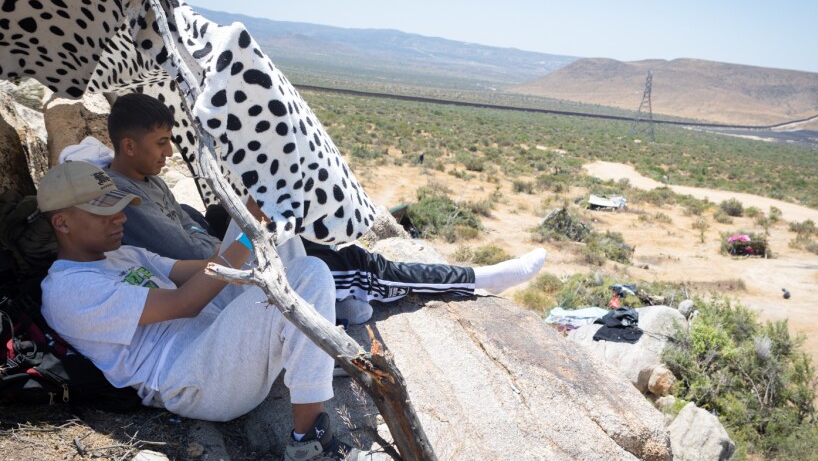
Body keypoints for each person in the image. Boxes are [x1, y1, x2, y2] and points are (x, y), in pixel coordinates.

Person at [37, 161, 390, 461]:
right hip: (188, 379)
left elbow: (209, 270)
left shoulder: (123, 255)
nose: (121, 218)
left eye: (120, 207)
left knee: (275, 240)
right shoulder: (67, 289)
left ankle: (311, 332)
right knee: (307, 269)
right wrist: (252, 234)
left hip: (212, 336)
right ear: (63, 223)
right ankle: (308, 449)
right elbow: (185, 303)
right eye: (105, 212)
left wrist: (251, 220)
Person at [87, 93, 546, 325]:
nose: (168, 153)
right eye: (160, 143)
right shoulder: (130, 200)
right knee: (357, 262)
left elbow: (187, 228)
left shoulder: (139, 179)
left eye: (170, 141)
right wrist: (247, 234)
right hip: (224, 274)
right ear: (128, 145)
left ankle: (339, 300)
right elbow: (192, 256)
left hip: (219, 255)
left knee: (281, 232)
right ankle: (478, 280)